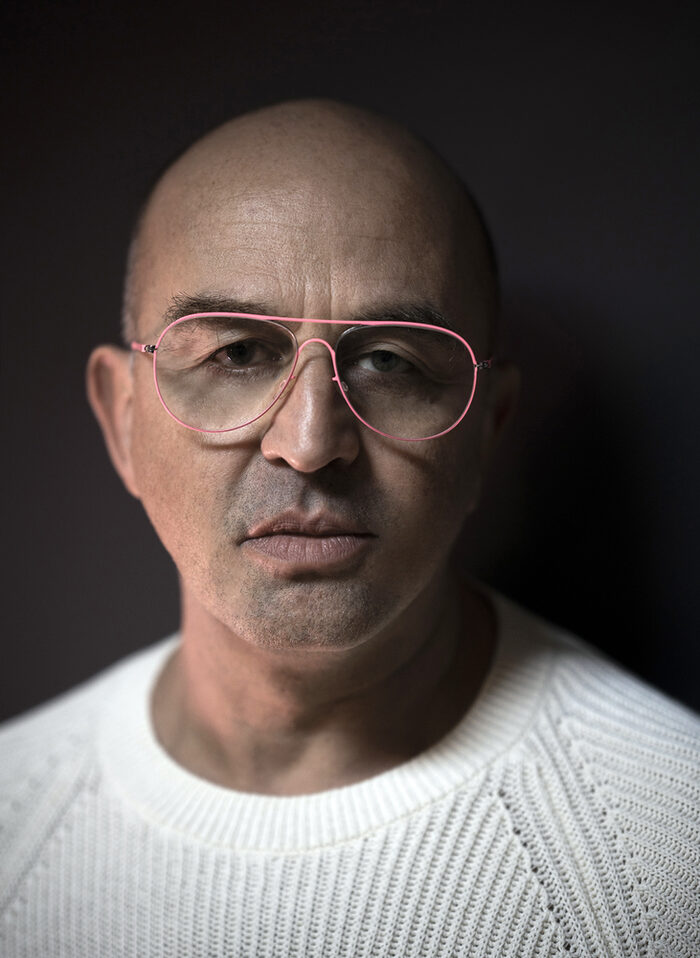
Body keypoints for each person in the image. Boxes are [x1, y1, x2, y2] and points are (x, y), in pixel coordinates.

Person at [1, 98, 698, 958]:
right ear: (121, 419)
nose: (309, 443)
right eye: (235, 353)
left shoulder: (670, 853)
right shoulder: (13, 821)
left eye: (390, 362)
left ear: (489, 432)